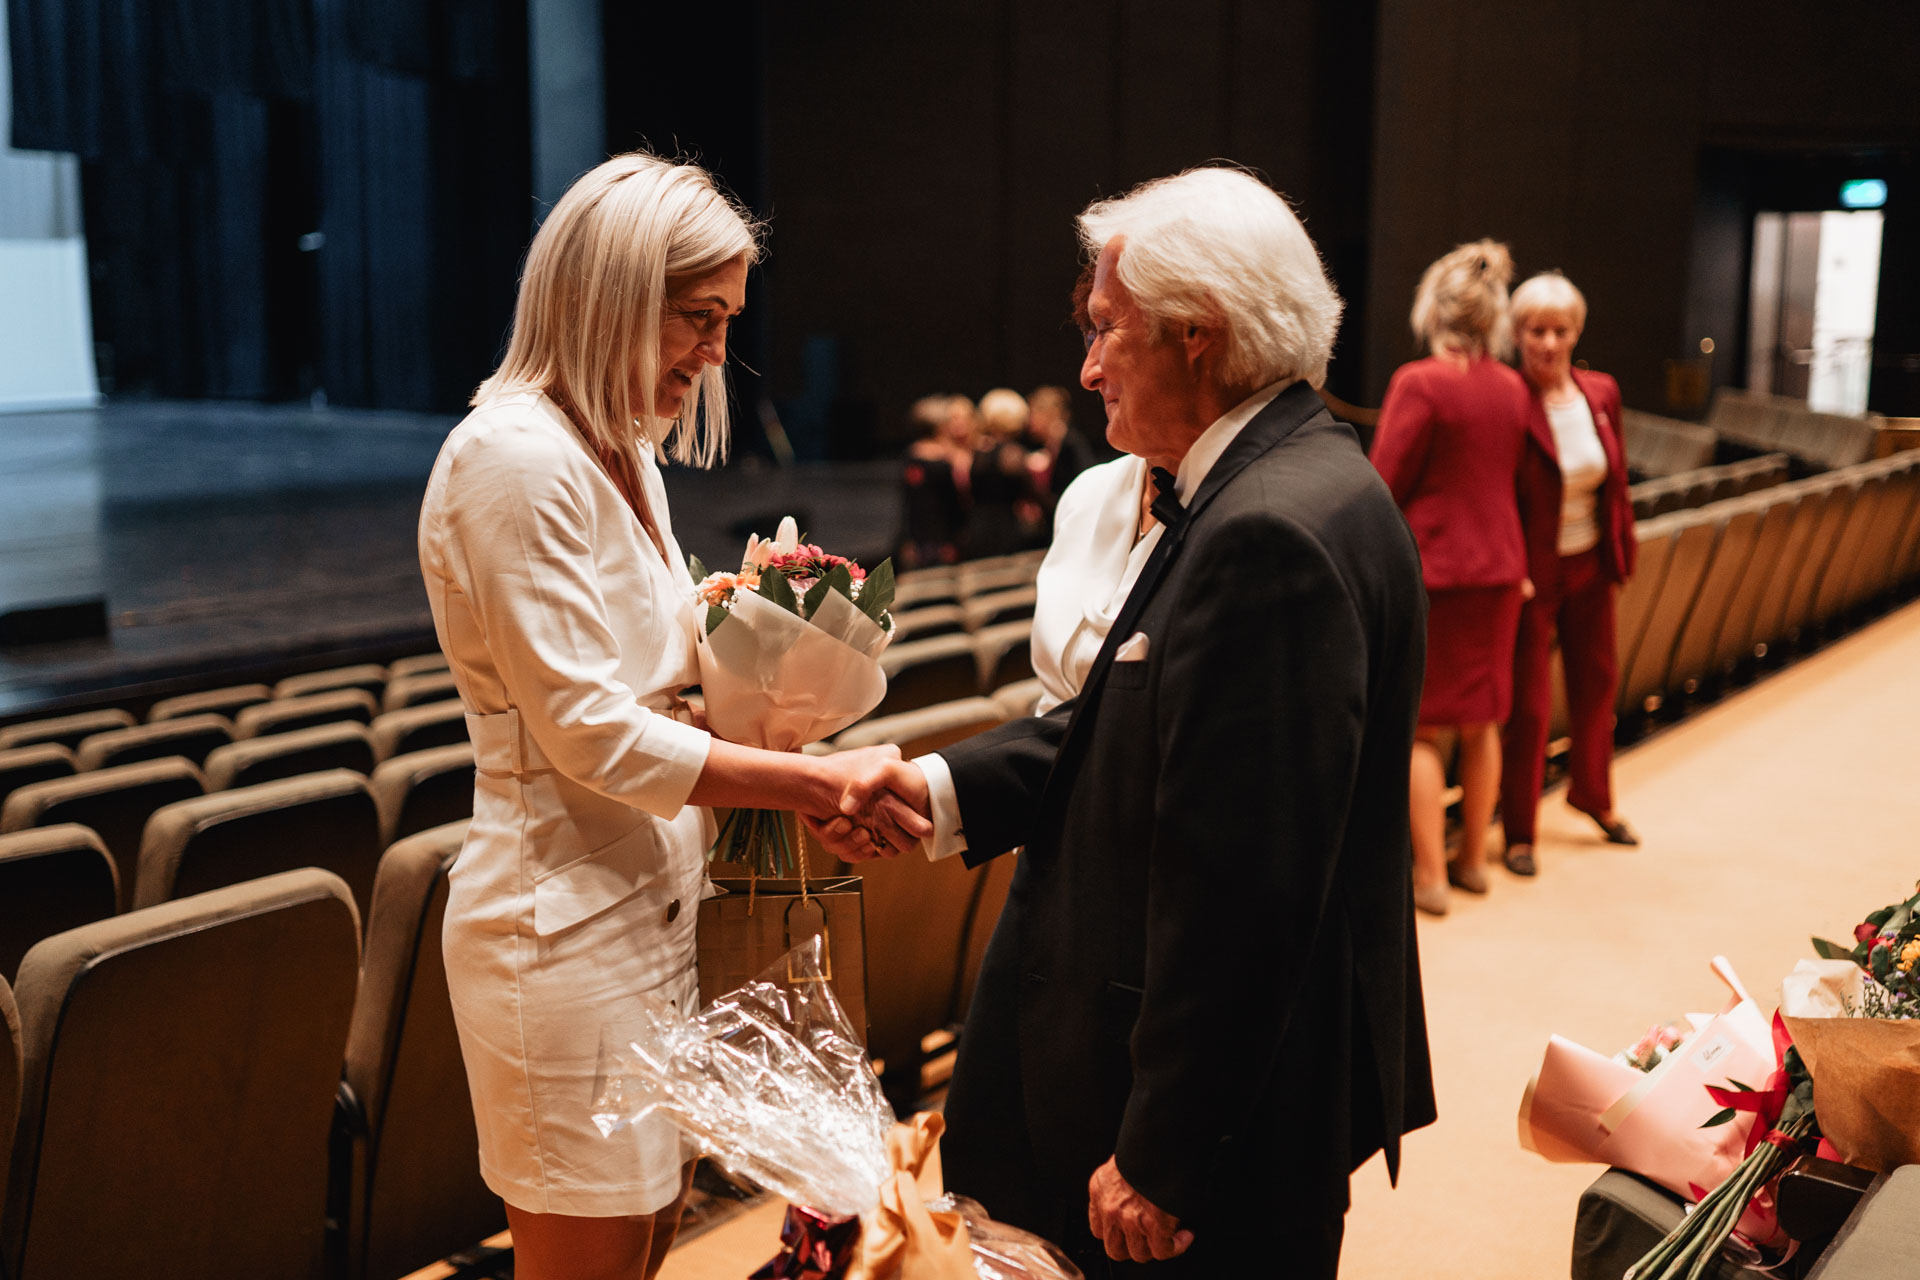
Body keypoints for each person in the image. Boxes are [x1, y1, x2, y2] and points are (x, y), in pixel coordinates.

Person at [818, 166, 1434, 1278]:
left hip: (1200, 1107)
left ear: (1200, 334)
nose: (1089, 365)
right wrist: (939, 786)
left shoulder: (1264, 533)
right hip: (1240, 1071)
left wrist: (1164, 1148)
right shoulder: (1300, 475)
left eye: (1109, 329)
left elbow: (1248, 889)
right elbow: (1145, 730)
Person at [417, 151, 921, 1280]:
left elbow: (647, 666)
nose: (715, 353)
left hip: (649, 907)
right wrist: (812, 781)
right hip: (559, 936)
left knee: (644, 1239)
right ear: (608, 296)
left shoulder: (622, 450)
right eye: (700, 319)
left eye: (725, 321)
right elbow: (591, 731)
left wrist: (756, 644)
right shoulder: (511, 458)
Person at [1369, 240, 1531, 917]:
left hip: (1435, 574)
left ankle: (1430, 879)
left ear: (1433, 310)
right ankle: (1473, 864)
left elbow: (1383, 483)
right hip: (1500, 571)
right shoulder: (1513, 387)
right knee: (1482, 722)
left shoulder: (1420, 382)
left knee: (1422, 731)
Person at [1501, 272, 1638, 876]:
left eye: (1560, 330)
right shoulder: (1509, 398)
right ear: (1517, 334)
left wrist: (1619, 551)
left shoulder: (1601, 392)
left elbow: (1617, 480)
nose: (1549, 343)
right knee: (1530, 706)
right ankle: (1519, 831)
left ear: (1576, 332)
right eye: (1537, 331)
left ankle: (1594, 797)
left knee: (1597, 685)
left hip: (1591, 563)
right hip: (1533, 574)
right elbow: (1498, 493)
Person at [964, 387, 1043, 558]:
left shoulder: (979, 452)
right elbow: (1031, 491)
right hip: (1006, 525)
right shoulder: (1013, 453)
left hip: (978, 525)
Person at [900, 393, 973, 568]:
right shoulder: (944, 462)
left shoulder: (910, 456)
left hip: (916, 536)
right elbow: (956, 504)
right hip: (943, 540)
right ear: (941, 426)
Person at [1028, 383, 1098, 510]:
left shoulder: (1072, 443)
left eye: (1033, 414)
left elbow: (1085, 486)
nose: (1030, 421)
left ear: (1050, 414)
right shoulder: (1052, 444)